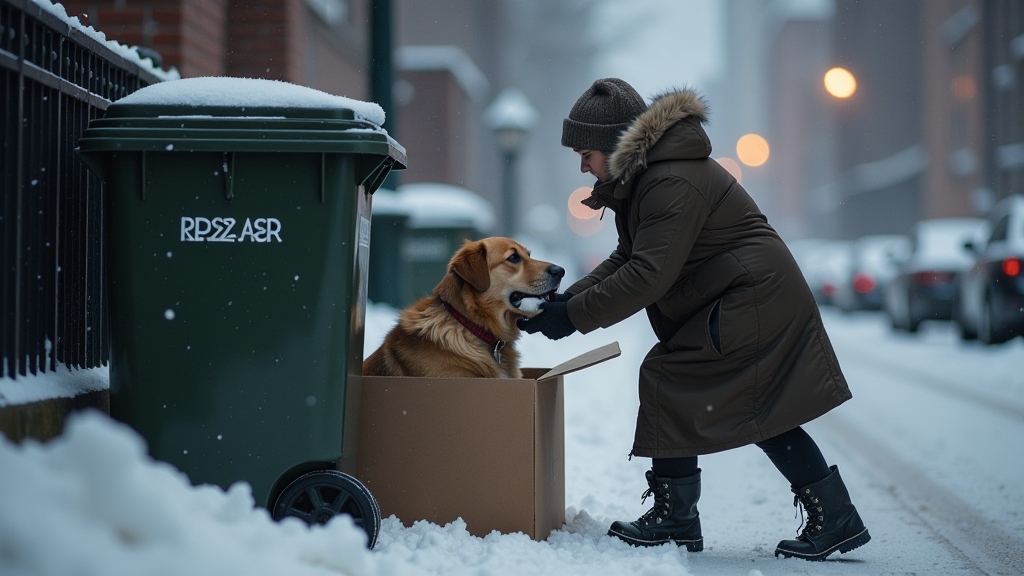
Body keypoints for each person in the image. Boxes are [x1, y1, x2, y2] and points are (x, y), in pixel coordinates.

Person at [517, 78, 870, 561]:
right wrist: (562, 304)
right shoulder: (648, 177)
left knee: (671, 378)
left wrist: (572, 317)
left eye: (585, 152)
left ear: (615, 145)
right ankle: (834, 517)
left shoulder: (669, 181)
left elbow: (647, 274)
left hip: (752, 298)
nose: (582, 165)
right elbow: (629, 255)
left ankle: (677, 517)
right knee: (761, 409)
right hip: (744, 294)